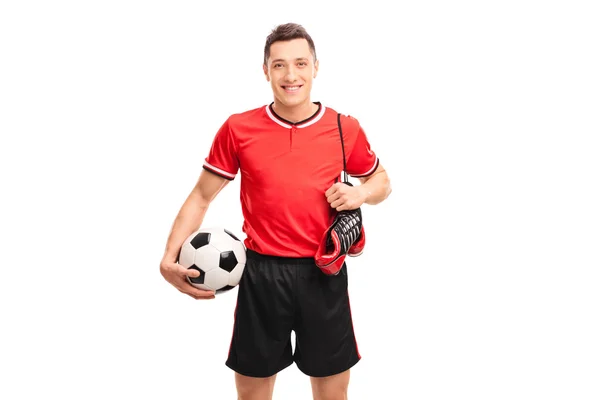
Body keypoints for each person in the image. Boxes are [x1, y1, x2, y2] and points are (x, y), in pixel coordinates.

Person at [159, 22, 392, 400]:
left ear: (316, 67)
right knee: (251, 393)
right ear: (266, 71)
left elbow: (382, 182)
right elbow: (201, 196)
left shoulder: (344, 127)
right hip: (260, 275)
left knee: (333, 393)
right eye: (279, 65)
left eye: (300, 63)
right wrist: (168, 258)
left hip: (323, 274)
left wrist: (361, 193)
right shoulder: (238, 128)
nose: (291, 75)